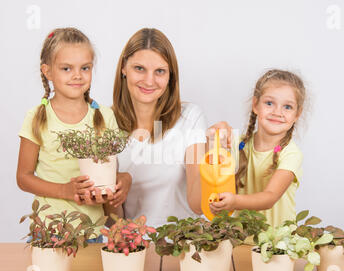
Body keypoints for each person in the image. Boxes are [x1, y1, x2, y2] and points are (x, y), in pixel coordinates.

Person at [84, 28, 227, 227]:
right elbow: (112, 221)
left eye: (159, 71)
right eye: (139, 68)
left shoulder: (190, 117)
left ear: (170, 76)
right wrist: (112, 191)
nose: (149, 80)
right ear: (124, 68)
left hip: (183, 244)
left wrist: (215, 153)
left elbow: (197, 205)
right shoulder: (105, 123)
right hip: (134, 248)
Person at [16, 28, 131, 242]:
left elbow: (108, 177)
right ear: (47, 71)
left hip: (92, 231)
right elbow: (23, 177)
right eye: (66, 68)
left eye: (85, 68)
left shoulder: (105, 117)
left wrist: (120, 185)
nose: (77, 75)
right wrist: (65, 191)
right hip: (49, 230)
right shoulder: (37, 117)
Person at [210, 69, 306, 228]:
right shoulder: (237, 144)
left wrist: (234, 201)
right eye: (269, 103)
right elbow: (213, 172)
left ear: (297, 114)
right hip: (239, 240)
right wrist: (214, 137)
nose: (277, 112)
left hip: (277, 244)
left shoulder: (291, 153)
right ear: (255, 105)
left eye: (287, 107)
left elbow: (270, 197)